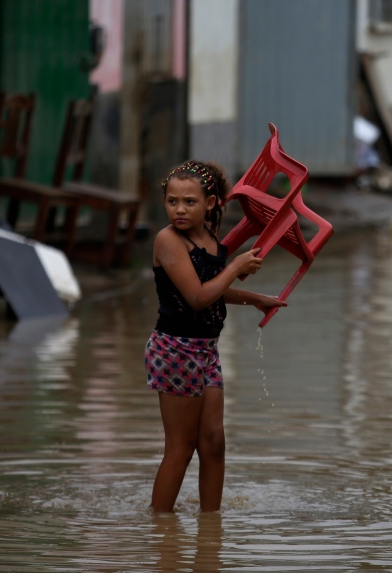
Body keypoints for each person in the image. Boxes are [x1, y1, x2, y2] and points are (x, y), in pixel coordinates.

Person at [145, 160, 286, 513]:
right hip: (175, 349)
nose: (179, 209)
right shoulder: (167, 240)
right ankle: (159, 530)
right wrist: (236, 267)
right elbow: (196, 297)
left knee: (213, 442)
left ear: (210, 204)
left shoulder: (209, 238)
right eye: (172, 200)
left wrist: (254, 298)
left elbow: (212, 288)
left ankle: (211, 527)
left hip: (205, 350)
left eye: (189, 202)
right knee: (181, 447)